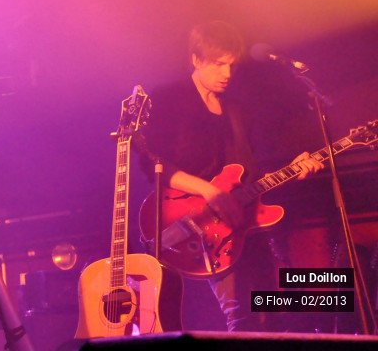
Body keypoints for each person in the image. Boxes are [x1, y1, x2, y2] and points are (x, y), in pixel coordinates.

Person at [138, 21, 324, 331]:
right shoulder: (171, 100)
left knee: (272, 307)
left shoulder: (235, 109)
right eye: (218, 64)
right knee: (241, 314)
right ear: (196, 59)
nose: (227, 73)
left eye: (232, 65)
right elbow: (151, 163)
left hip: (240, 222)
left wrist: (293, 168)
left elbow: (246, 172)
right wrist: (210, 192)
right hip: (192, 221)